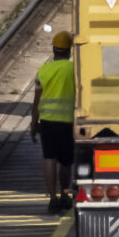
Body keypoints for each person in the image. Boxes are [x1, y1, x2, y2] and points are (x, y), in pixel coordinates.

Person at [32, 30, 76, 210]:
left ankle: (52, 198)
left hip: (47, 122)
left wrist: (33, 124)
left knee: (49, 158)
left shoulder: (43, 71)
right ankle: (65, 195)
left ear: (54, 50)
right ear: (69, 50)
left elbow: (36, 102)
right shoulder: (74, 70)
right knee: (66, 161)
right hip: (68, 121)